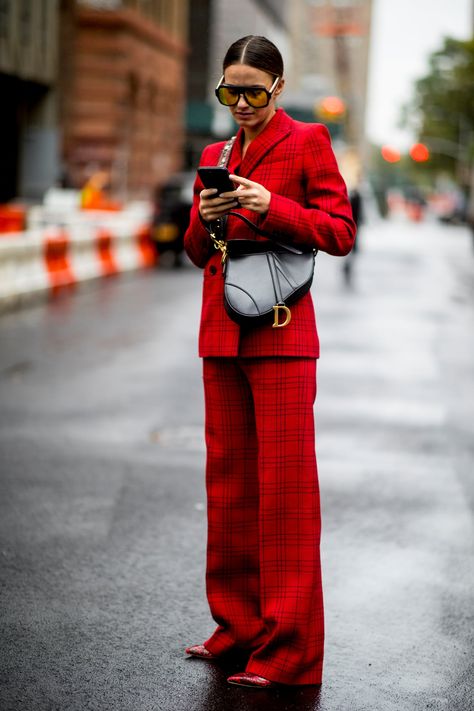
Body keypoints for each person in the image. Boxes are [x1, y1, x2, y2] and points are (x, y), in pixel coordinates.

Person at [183, 35, 355, 689]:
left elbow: (339, 231)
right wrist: (208, 213)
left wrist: (269, 206)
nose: (243, 103)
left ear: (278, 87)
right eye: (232, 92)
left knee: (284, 495)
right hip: (220, 331)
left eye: (254, 90)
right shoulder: (213, 153)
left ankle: (289, 652)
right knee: (228, 490)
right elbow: (200, 253)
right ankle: (238, 627)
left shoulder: (307, 140)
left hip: (283, 332)